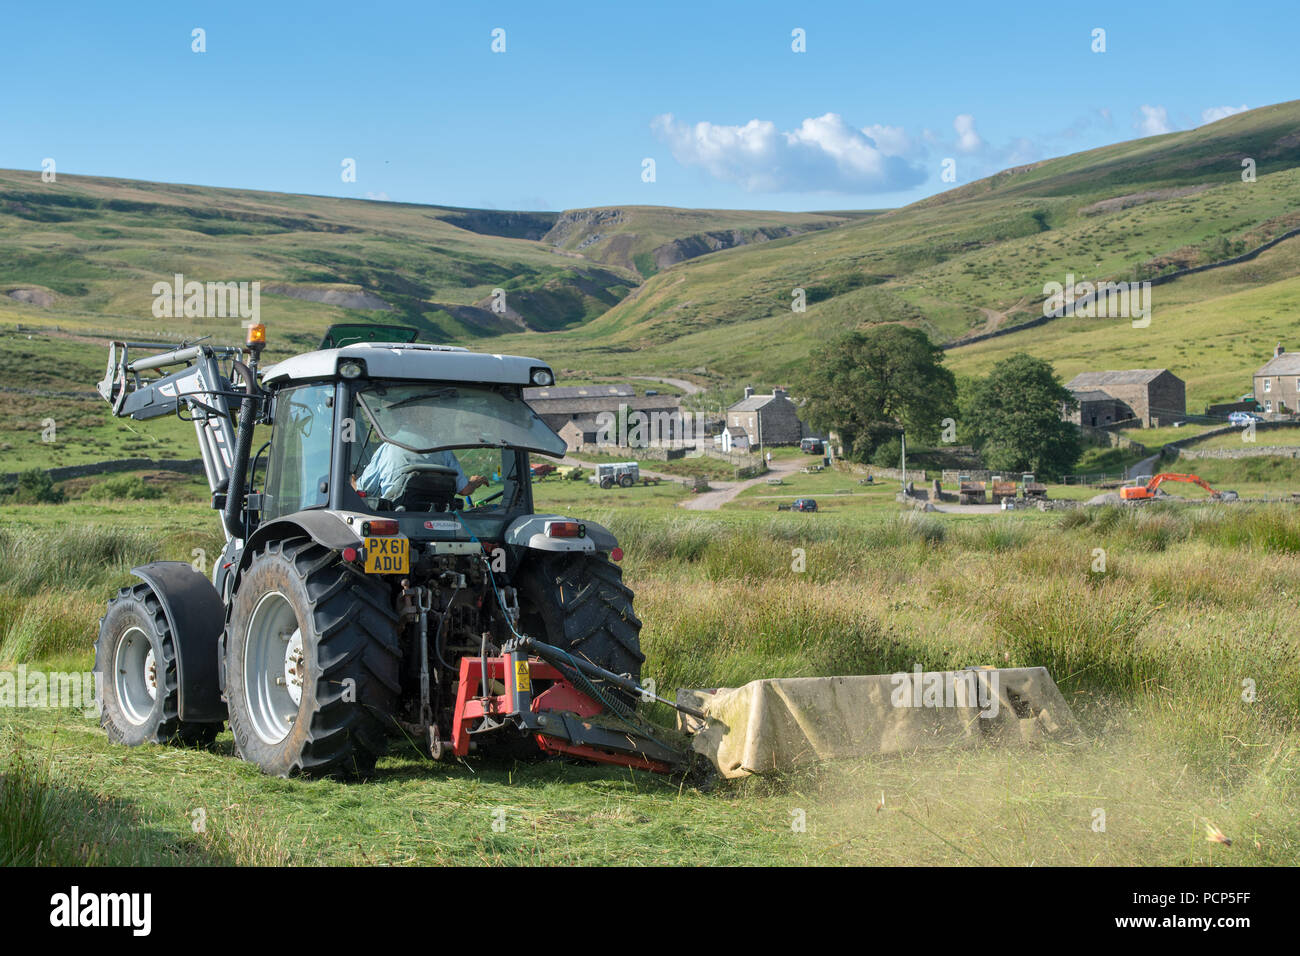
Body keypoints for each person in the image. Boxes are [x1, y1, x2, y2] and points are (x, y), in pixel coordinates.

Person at [353, 442, 488, 500]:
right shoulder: (443, 449)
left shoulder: (388, 447)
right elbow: (465, 490)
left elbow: (364, 488)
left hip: (397, 517)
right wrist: (475, 482)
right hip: (439, 519)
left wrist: (352, 482)